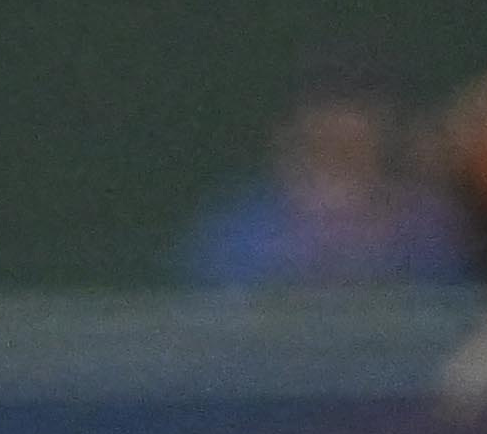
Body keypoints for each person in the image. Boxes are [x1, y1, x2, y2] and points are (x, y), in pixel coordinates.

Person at [181, 80, 471, 291]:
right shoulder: (239, 230)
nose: (338, 162)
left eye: (353, 150)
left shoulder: (432, 228)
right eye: (323, 147)